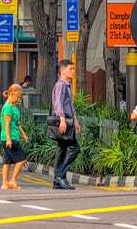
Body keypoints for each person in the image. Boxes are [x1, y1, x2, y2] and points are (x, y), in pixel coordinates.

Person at [52, 58, 82, 190]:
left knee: (62, 150)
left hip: (68, 121)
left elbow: (69, 105)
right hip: (64, 122)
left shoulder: (67, 85)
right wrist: (62, 120)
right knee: (74, 148)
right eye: (70, 69)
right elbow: (58, 103)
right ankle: (60, 176)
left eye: (73, 68)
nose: (73, 71)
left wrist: (75, 121)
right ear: (63, 71)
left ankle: (57, 181)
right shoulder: (61, 85)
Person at [0, 83, 30, 190]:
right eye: (18, 96)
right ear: (12, 94)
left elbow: (17, 123)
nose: (19, 99)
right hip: (10, 138)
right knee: (22, 160)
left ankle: (5, 184)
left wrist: (23, 134)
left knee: (7, 161)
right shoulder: (8, 107)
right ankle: (13, 180)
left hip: (13, 137)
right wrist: (8, 139)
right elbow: (6, 124)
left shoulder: (14, 107)